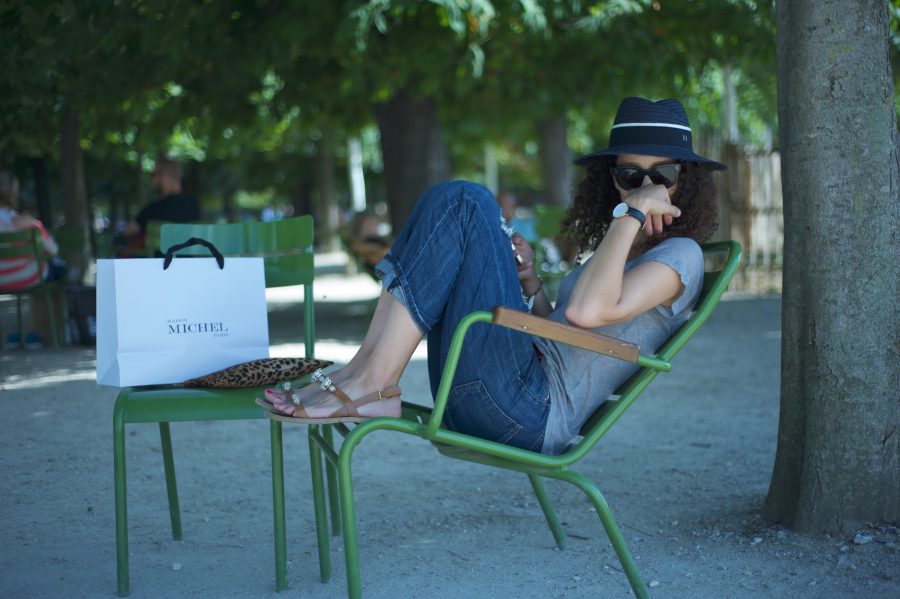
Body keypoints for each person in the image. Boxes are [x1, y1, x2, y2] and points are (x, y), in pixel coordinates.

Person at [260, 97, 725, 455]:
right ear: (612, 180)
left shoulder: (681, 256)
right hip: (510, 389)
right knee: (449, 201)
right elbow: (568, 330)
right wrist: (531, 284)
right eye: (630, 174)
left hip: (528, 412)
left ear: (688, 180)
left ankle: (374, 384)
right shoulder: (620, 248)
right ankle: (364, 371)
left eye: (661, 174)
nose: (646, 188)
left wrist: (633, 214)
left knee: (467, 201)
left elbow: (587, 311)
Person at [0, 170, 66, 346]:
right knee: (55, 272)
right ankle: (43, 334)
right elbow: (53, 249)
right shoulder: (28, 222)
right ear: (15, 193)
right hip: (28, 277)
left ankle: (14, 337)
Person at [119, 155, 200, 247]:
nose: (151, 180)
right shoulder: (194, 205)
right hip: (189, 261)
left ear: (163, 176)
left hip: (157, 260)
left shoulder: (153, 209)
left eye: (153, 174)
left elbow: (128, 232)